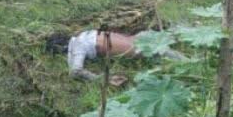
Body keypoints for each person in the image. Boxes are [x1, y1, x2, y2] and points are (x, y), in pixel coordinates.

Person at [49, 29, 186, 81]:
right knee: (165, 42)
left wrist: (102, 79)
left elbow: (75, 71)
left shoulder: (77, 45)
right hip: (137, 37)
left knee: (162, 52)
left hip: (137, 46)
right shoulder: (84, 34)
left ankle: (190, 62)